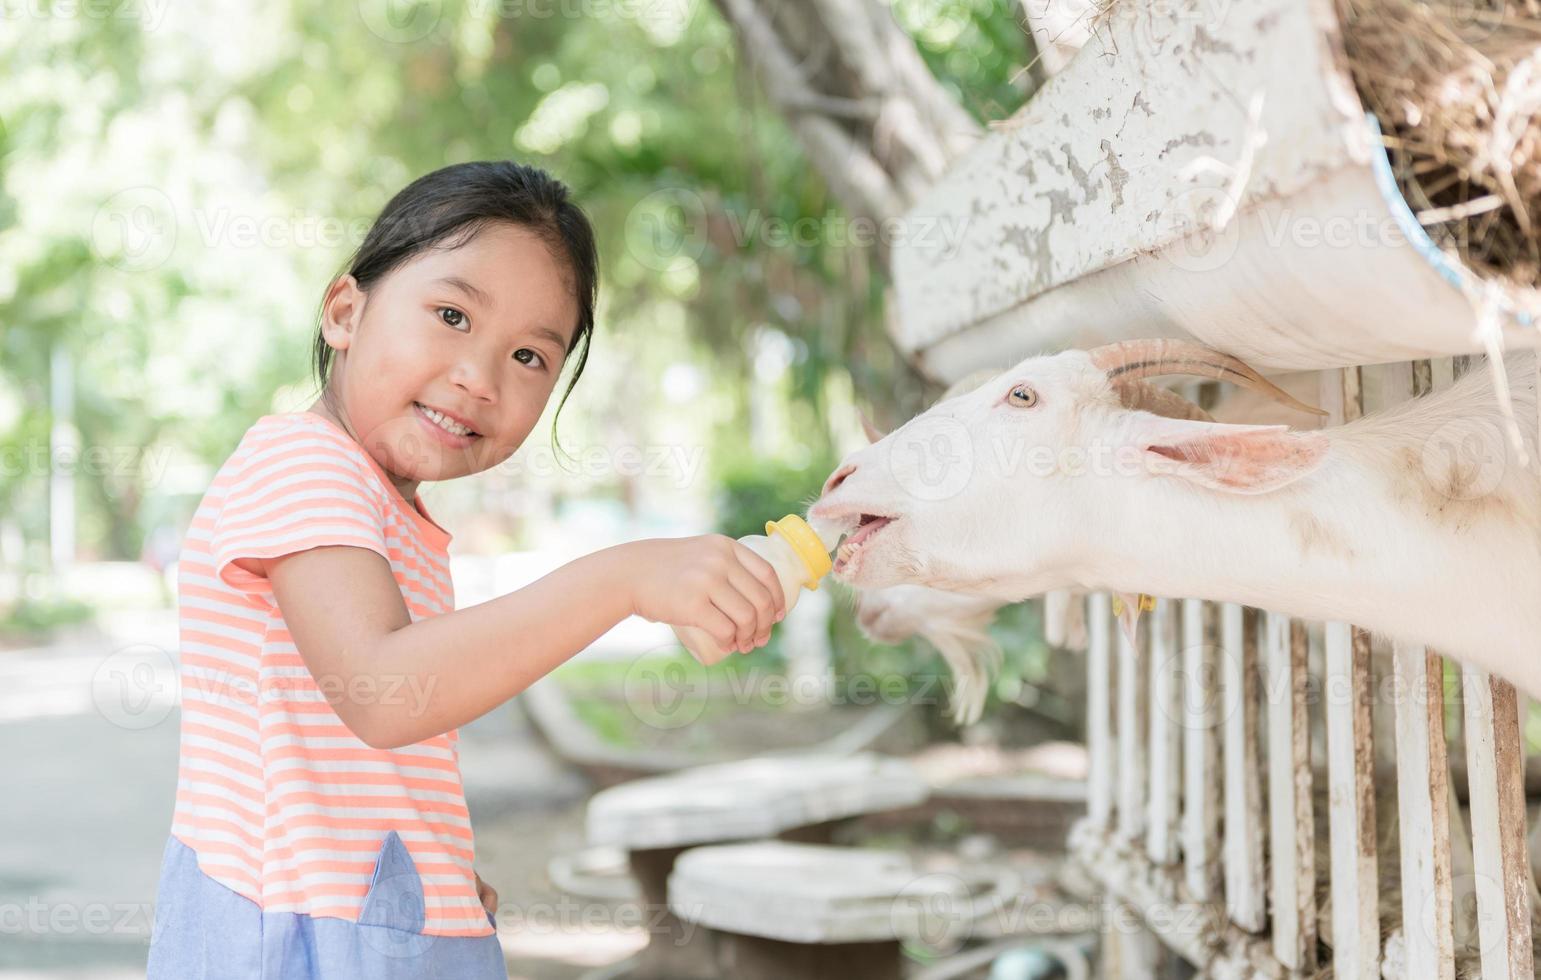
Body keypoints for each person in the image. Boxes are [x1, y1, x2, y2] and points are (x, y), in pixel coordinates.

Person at [145, 160, 788, 979]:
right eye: (451, 314)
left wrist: (433, 859)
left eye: (528, 357)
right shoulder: (302, 465)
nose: (478, 378)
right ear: (346, 311)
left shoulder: (385, 511)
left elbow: (357, 750)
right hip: (298, 941)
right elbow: (382, 691)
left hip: (381, 923)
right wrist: (619, 579)